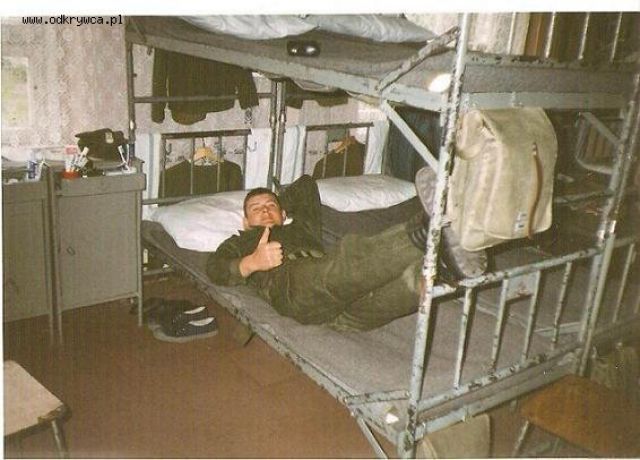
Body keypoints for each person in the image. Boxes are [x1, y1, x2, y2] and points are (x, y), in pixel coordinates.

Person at [206, 169, 487, 331]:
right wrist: (252, 262)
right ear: (245, 221)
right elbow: (214, 268)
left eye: (271, 206)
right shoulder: (241, 241)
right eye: (256, 208)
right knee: (347, 260)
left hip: (342, 314)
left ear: (283, 212)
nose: (265, 211)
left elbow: (305, 185)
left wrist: (280, 204)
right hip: (296, 289)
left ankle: (446, 267)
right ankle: (428, 229)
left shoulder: (302, 227)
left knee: (406, 286)